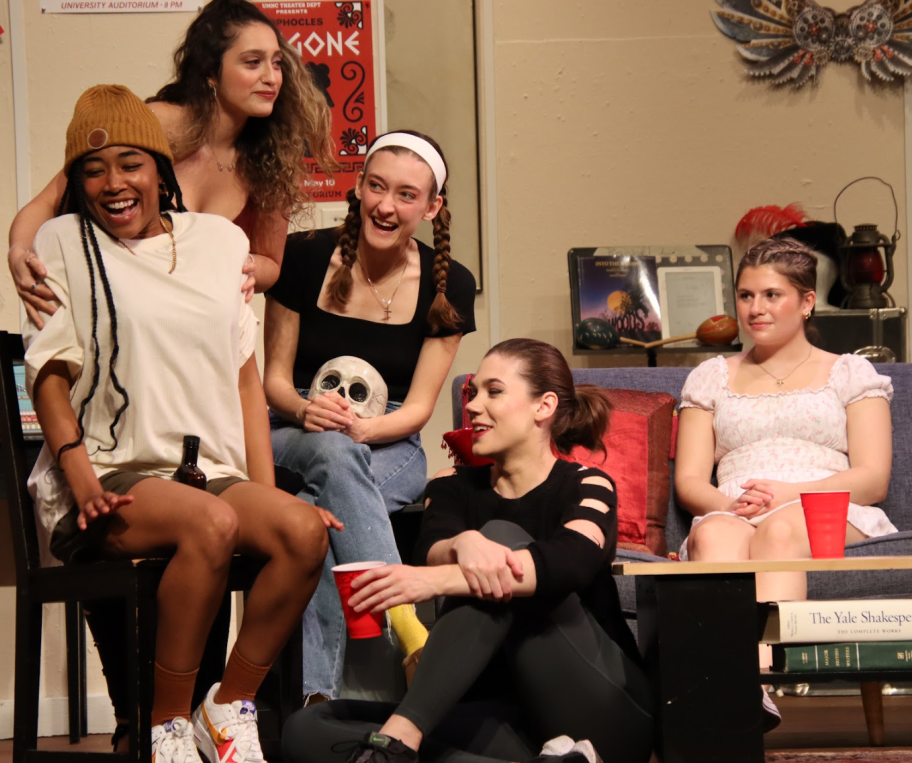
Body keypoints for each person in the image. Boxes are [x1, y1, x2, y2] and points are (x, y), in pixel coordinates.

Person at [24, 84, 329, 763]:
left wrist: (268, 487)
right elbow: (47, 374)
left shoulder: (220, 242)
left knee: (303, 531)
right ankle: (166, 728)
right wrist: (80, 479)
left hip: (206, 469)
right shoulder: (64, 240)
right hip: (110, 466)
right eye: (92, 169)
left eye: (130, 163)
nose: (113, 183)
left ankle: (227, 704)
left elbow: (246, 377)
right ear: (76, 181)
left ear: (161, 169)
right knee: (209, 523)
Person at [280, 338, 654, 763]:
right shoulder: (450, 487)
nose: (473, 406)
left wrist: (441, 577)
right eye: (473, 392)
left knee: (500, 539)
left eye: (493, 392)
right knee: (307, 729)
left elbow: (570, 563)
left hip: (602, 712)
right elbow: (432, 549)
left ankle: (400, 740)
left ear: (543, 406)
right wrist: (462, 543)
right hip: (504, 722)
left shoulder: (588, 485)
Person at [262, 130, 477, 701]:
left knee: (316, 520)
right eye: (376, 187)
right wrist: (311, 411)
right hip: (291, 431)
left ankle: (315, 701)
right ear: (357, 189)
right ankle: (409, 625)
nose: (387, 204)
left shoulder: (450, 284)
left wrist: (360, 429)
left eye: (407, 195)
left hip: (389, 441)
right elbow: (275, 383)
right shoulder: (305, 256)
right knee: (332, 456)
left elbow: (420, 411)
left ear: (431, 208)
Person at [674, 236, 897, 727]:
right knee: (711, 533)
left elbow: (873, 478)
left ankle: (752, 684)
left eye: (772, 295)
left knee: (782, 528)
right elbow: (690, 480)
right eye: (746, 295)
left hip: (826, 505)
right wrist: (729, 505)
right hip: (738, 506)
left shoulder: (850, 373)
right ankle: (719, 688)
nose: (756, 309)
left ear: (807, 301)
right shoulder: (711, 377)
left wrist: (789, 493)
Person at [8, 0, 336, 327]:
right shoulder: (158, 125)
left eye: (276, 63)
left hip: (199, 328)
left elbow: (269, 263)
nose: (271, 78)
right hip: (117, 321)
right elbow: (50, 200)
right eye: (253, 63)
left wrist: (241, 263)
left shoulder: (273, 155)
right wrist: (20, 252)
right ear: (210, 71)